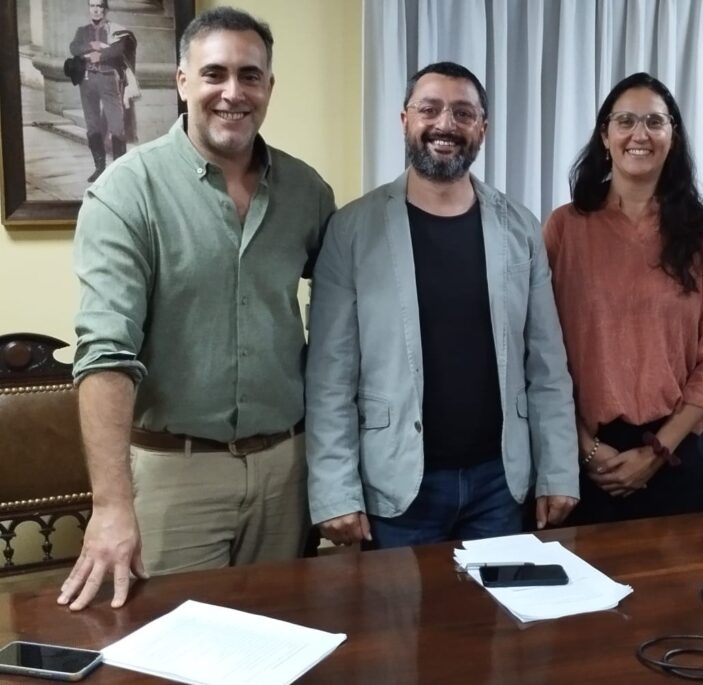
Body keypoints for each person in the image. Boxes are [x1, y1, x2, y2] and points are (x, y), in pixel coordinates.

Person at [59, 7, 335, 611]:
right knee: (174, 648)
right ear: (183, 82)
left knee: (284, 636)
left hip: (287, 471)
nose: (233, 92)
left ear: (269, 86)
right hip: (175, 475)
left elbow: (347, 321)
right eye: (214, 74)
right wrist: (111, 505)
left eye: (250, 75)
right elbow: (105, 355)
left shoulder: (308, 193)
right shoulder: (127, 191)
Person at [306, 61, 579, 549]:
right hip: (395, 484)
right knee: (397, 604)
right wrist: (334, 491)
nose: (445, 125)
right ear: (405, 120)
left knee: (500, 602)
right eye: (429, 109)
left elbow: (547, 364)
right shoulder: (352, 230)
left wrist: (558, 470)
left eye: (463, 113)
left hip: (501, 483)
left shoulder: (520, 228)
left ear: (482, 128)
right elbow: (330, 374)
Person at [544, 73, 703, 525]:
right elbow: (540, 350)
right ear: (605, 135)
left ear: (673, 136)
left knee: (678, 574)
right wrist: (585, 446)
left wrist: (658, 451)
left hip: (677, 449)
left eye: (654, 121)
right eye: (626, 121)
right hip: (580, 454)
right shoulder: (565, 228)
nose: (640, 134)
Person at [68, 0, 135, 182]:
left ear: (105, 9)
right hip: (87, 81)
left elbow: (118, 50)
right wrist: (96, 45)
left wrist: (94, 55)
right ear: (89, 8)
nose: (96, 10)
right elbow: (74, 48)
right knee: (93, 126)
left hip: (108, 80)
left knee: (117, 126)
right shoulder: (82, 31)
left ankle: (119, 169)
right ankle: (99, 168)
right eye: (92, 6)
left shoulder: (115, 30)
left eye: (99, 6)